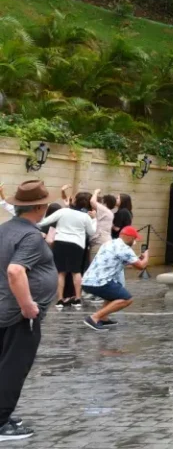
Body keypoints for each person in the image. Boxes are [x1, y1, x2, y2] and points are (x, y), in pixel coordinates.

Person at [0, 180, 57, 441]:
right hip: (18, 315)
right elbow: (15, 270)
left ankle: (3, 413)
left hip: (4, 309)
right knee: (13, 367)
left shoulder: (5, 229)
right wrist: (28, 305)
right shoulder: (31, 236)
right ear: (41, 207)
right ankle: (1, 424)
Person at [80, 226, 149, 331]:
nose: (134, 242)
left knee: (114, 292)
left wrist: (137, 259)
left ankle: (103, 318)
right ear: (129, 237)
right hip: (100, 282)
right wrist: (147, 256)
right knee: (127, 299)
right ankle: (94, 318)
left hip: (88, 280)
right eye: (134, 239)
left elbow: (122, 261)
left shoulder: (109, 243)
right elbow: (141, 266)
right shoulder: (125, 249)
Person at [38, 188, 96, 309]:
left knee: (61, 272)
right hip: (77, 244)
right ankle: (78, 298)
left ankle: (60, 300)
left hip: (60, 242)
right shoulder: (85, 217)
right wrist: (94, 219)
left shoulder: (63, 211)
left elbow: (44, 222)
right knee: (76, 272)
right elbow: (91, 232)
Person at [90, 189, 114, 260]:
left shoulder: (105, 210)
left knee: (94, 266)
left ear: (105, 203)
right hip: (104, 242)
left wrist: (96, 192)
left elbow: (92, 201)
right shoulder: (108, 213)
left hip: (99, 242)